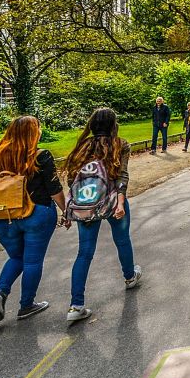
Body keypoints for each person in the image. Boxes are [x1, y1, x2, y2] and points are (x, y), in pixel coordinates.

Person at [62, 108, 143, 323]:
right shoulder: (120, 144)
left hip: (87, 203)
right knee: (122, 239)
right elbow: (122, 176)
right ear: (113, 124)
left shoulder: (83, 146)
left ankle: (76, 304)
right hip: (113, 199)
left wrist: (75, 205)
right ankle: (129, 276)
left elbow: (72, 179)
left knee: (84, 252)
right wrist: (121, 201)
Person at [0, 116, 68, 322]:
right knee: (32, 260)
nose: (40, 131)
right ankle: (26, 305)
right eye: (38, 128)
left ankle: (1, 292)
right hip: (37, 214)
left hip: (4, 216)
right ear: (33, 132)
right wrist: (65, 210)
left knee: (16, 257)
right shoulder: (39, 156)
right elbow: (54, 189)